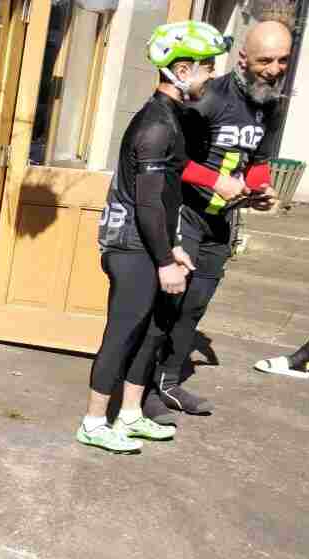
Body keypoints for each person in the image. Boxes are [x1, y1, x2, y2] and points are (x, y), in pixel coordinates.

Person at [78, 22, 228, 453]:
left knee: (153, 329)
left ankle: (129, 415)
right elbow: (145, 203)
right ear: (181, 69)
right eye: (206, 69)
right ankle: (92, 421)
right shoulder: (156, 126)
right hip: (130, 245)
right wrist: (164, 260)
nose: (211, 77)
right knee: (124, 332)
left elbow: (165, 195)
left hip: (154, 242)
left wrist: (174, 246)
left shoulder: (173, 119)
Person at [141, 15, 293, 423]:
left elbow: (257, 162)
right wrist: (214, 181)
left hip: (221, 224)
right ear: (242, 57)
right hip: (184, 215)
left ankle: (170, 384)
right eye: (265, 61)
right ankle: (140, 390)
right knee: (167, 305)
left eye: (282, 60)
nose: (274, 70)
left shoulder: (271, 104)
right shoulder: (208, 97)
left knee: (195, 308)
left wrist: (260, 191)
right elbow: (171, 158)